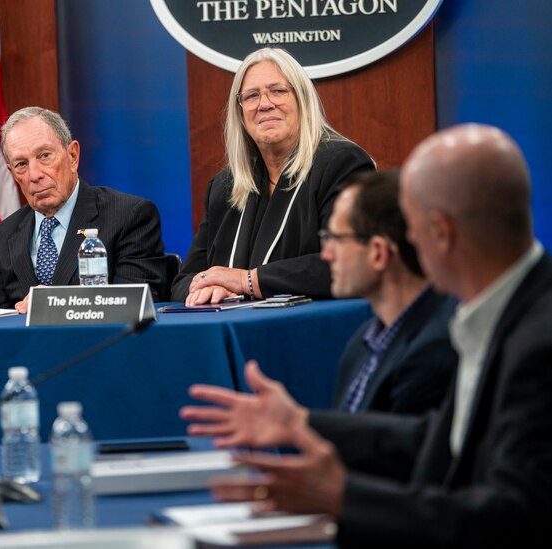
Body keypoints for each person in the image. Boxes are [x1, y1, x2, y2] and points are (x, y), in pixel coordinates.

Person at [181, 124, 552, 547]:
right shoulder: (498, 317)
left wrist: (342, 497)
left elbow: (514, 518)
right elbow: (443, 440)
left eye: (410, 224)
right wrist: (302, 422)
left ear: (441, 233)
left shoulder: (537, 342)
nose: (404, 241)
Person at [171, 47, 373, 305]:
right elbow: (184, 281)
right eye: (252, 95)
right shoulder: (224, 187)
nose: (265, 104)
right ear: (241, 113)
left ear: (302, 99)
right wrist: (211, 288)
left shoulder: (342, 164)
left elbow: (351, 261)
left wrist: (247, 281)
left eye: (278, 91)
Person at [0, 107, 167, 312]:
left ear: (72, 156)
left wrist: (53, 303)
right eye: (21, 164)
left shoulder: (129, 216)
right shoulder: (3, 235)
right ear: (13, 173)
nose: (34, 175)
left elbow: (135, 302)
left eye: (44, 156)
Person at [323, 170, 456, 414]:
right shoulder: (362, 342)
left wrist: (300, 424)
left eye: (336, 239)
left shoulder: (433, 353)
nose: (326, 254)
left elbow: (387, 451)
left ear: (378, 253)